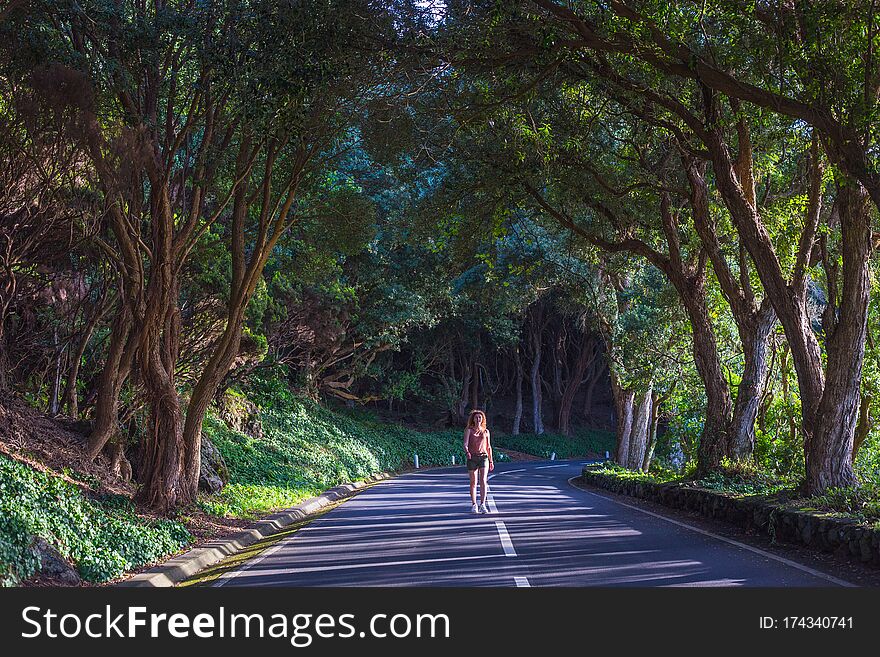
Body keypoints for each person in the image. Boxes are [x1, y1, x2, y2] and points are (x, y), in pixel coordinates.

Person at [463, 409, 494, 514]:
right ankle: (474, 504)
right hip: (472, 458)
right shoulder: (469, 430)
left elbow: (488, 447)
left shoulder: (486, 431)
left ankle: (483, 504)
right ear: (473, 419)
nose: (478, 419)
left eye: (480, 417)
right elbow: (465, 444)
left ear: (482, 419)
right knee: (473, 482)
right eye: (476, 417)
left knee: (483, 481)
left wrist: (491, 461)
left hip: (483, 457)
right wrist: (467, 452)